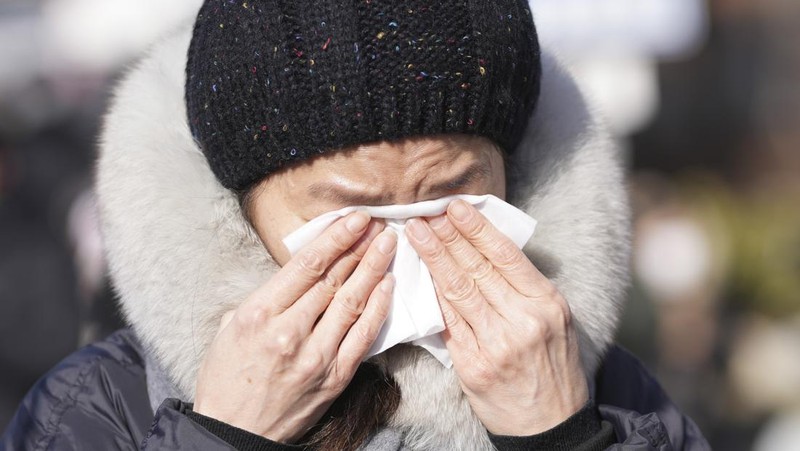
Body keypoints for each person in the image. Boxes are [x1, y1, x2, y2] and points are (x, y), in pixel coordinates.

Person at [2, 0, 710, 449]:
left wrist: (563, 436)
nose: (408, 238)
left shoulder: (610, 392)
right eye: (348, 209)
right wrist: (218, 435)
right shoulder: (97, 409)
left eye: (453, 191)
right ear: (238, 205)